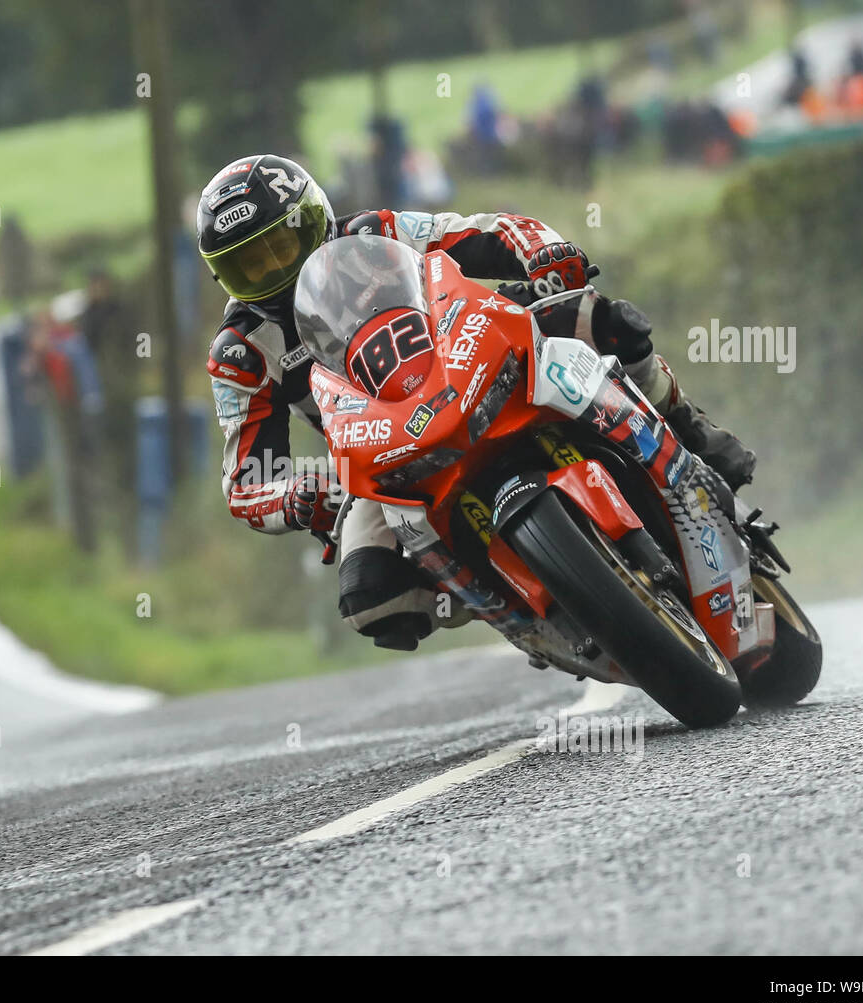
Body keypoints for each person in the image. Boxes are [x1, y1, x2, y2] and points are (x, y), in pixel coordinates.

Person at [197, 154, 755, 650]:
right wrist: (296, 495)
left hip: (478, 345)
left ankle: (690, 429)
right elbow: (245, 481)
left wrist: (542, 252)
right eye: (253, 266)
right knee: (372, 599)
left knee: (604, 321)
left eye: (282, 246)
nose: (275, 271)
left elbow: (482, 231)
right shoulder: (241, 353)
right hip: (384, 447)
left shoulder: (376, 232)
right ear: (228, 278)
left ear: (315, 220)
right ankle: (533, 606)